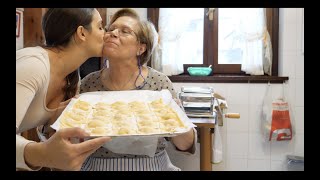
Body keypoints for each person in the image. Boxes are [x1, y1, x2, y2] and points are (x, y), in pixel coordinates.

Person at [80, 8, 196, 171]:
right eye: (110, 29)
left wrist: (176, 118)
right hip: (98, 165)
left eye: (125, 31)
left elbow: (185, 145)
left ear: (141, 48)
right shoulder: (89, 84)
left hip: (152, 166)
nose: (112, 33)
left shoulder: (159, 84)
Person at [16, 8, 111, 171]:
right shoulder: (34, 66)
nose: (106, 34)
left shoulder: (72, 75)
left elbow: (52, 139)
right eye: (100, 27)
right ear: (82, 33)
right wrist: (43, 154)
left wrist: (54, 119)